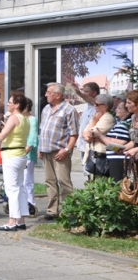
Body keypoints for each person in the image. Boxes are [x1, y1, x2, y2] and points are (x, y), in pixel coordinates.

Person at [0, 92, 31, 231]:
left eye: (10, 102)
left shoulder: (14, 117)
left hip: (11, 156)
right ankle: (21, 220)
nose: (8, 104)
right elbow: (15, 134)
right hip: (20, 155)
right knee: (20, 187)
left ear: (17, 104)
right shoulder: (25, 119)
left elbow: (1, 136)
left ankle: (12, 221)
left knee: (11, 189)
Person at [38, 83, 79, 220]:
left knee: (64, 181)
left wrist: (67, 150)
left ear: (58, 95)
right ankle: (52, 211)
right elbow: (42, 130)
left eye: (48, 92)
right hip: (46, 151)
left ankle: (69, 211)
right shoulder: (46, 109)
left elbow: (74, 134)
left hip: (60, 152)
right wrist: (40, 147)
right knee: (50, 181)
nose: (45, 94)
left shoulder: (69, 110)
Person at [92, 100, 132, 182]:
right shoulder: (120, 123)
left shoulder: (123, 126)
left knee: (118, 186)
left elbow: (116, 147)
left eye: (119, 108)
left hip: (119, 160)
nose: (116, 109)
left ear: (127, 112)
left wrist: (100, 136)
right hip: (115, 159)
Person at [81, 93, 115, 179]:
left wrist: (92, 122)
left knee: (99, 183)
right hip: (92, 154)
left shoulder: (108, 118)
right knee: (91, 182)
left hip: (100, 156)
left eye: (97, 104)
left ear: (105, 106)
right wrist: (88, 136)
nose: (95, 106)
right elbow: (84, 133)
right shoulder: (97, 117)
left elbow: (89, 133)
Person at [71, 81, 99, 175]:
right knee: (86, 170)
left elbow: (94, 101)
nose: (84, 94)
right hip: (83, 144)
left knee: (92, 171)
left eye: (86, 91)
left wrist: (79, 93)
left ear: (94, 93)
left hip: (92, 145)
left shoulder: (98, 105)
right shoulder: (87, 106)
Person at [24, 98, 39, 217]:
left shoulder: (32, 119)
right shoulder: (20, 119)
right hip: (17, 153)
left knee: (27, 180)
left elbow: (33, 137)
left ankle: (31, 204)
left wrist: (27, 149)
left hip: (27, 154)